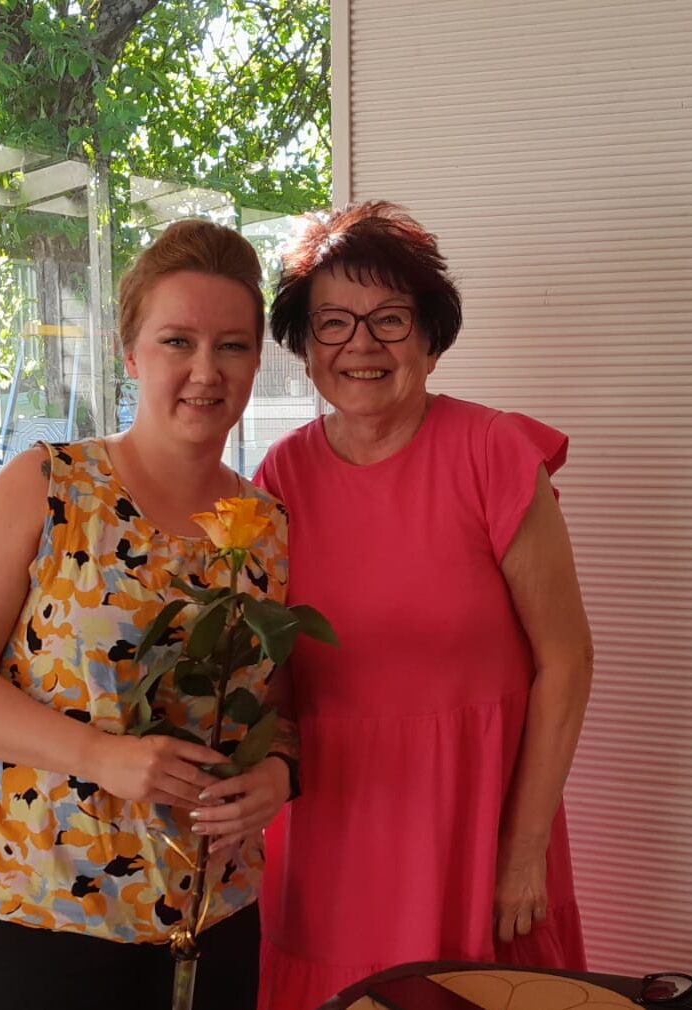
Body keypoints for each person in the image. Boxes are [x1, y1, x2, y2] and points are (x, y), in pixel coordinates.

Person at [0, 218, 297, 1010]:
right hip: (40, 916)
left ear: (256, 362)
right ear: (130, 355)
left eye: (231, 346)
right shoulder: (47, 486)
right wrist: (100, 754)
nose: (205, 371)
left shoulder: (266, 527)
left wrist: (278, 774)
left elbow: (280, 705)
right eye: (176, 341)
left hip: (211, 915)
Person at [253, 201, 594, 1010]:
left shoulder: (492, 454)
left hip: (474, 829)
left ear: (430, 337)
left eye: (389, 319)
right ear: (304, 346)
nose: (361, 345)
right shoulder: (278, 478)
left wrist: (523, 850)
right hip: (332, 831)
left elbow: (566, 661)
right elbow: (273, 683)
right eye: (332, 323)